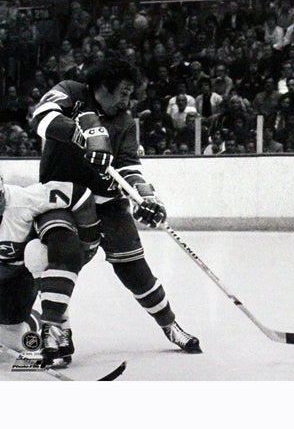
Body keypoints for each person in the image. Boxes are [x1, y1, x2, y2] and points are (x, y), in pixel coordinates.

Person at [31, 57, 201, 354]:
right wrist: (80, 134)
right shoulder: (71, 92)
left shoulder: (123, 121)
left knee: (135, 269)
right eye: (123, 92)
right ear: (102, 86)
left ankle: (170, 325)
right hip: (61, 197)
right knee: (64, 256)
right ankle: (56, 330)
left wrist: (146, 197)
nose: (127, 100)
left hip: (107, 203)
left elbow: (129, 165)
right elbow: (41, 117)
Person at [0, 175, 100, 365]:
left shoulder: (23, 199)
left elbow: (79, 193)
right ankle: (32, 319)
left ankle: (56, 325)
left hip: (23, 276)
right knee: (9, 340)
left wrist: (88, 242)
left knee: (36, 252)